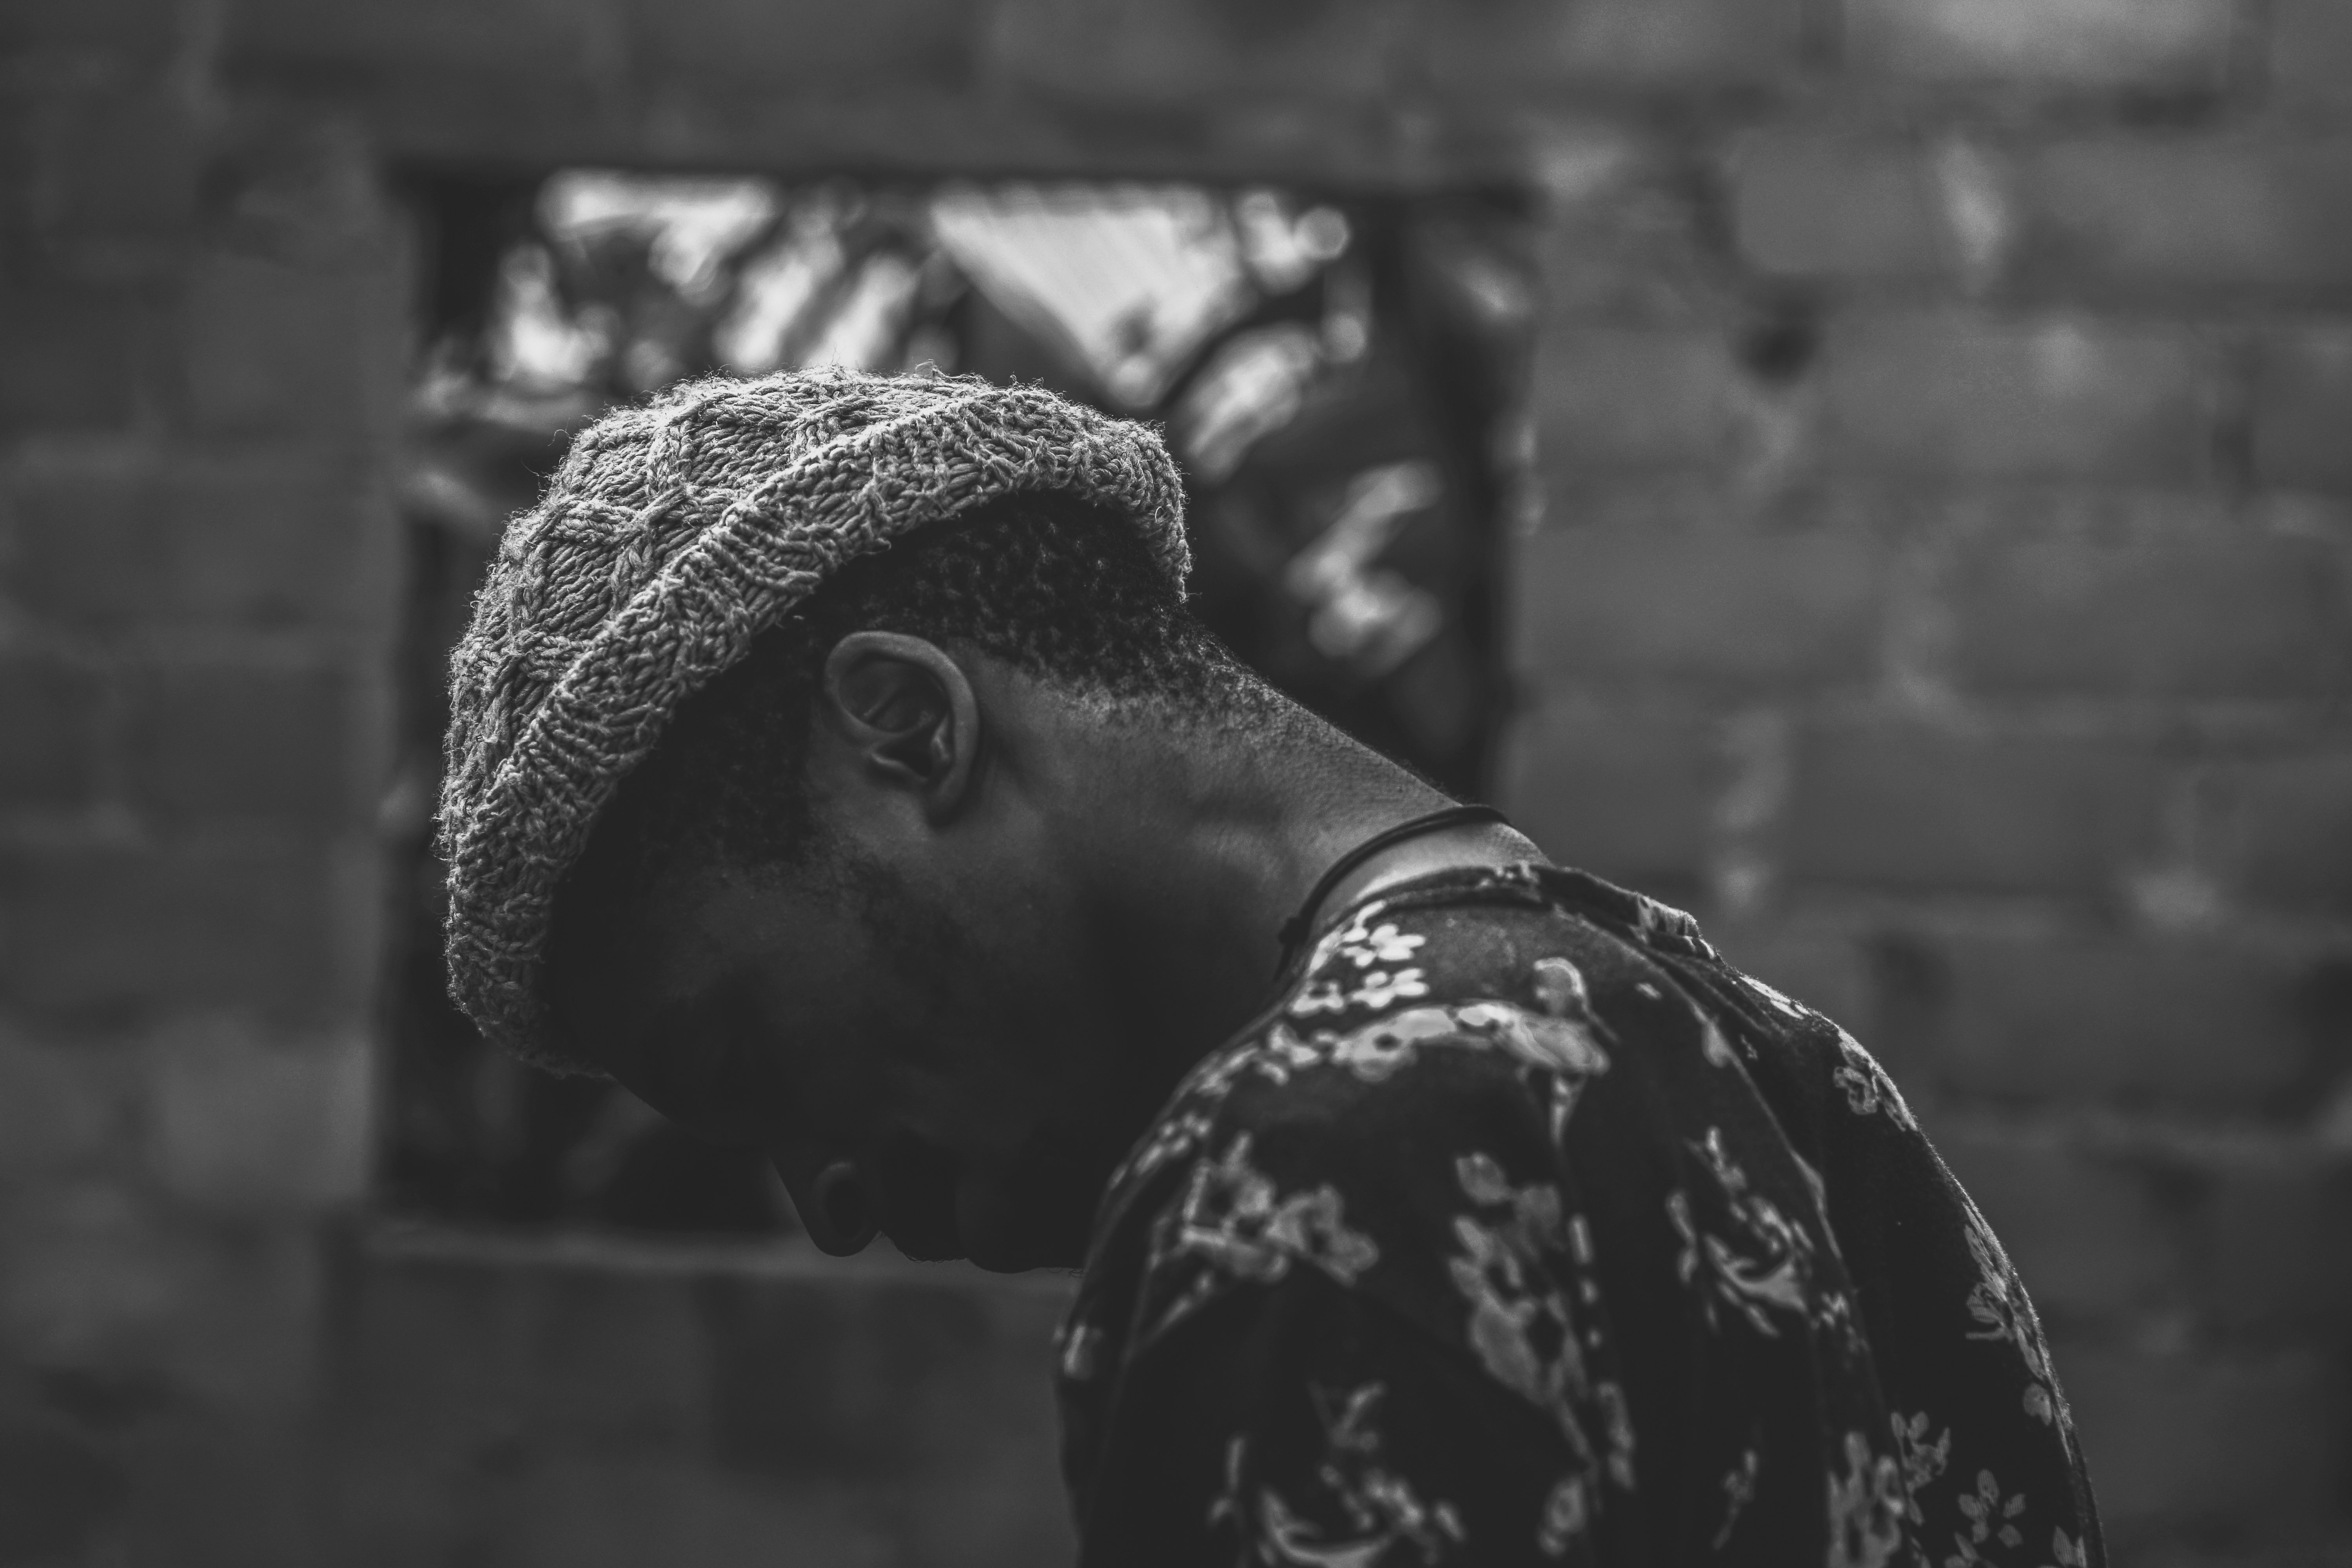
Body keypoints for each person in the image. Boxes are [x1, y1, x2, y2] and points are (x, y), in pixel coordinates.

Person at [438, 368, 2103, 1567]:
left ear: (909, 726)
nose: (827, 1202)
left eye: (747, 1065)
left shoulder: (1318, 1166)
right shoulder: (1785, 1076)